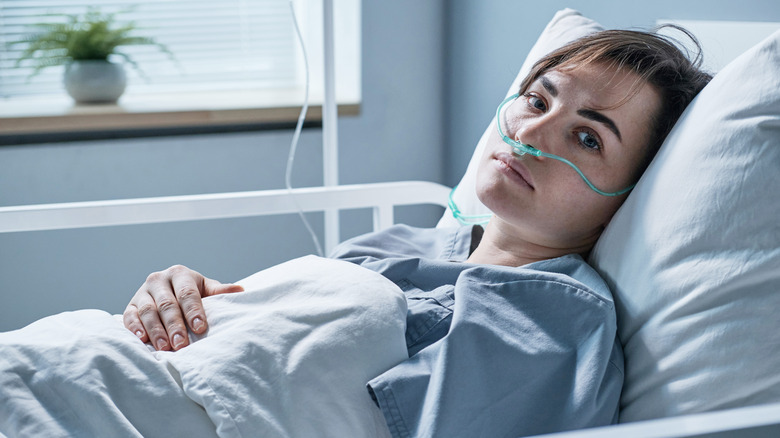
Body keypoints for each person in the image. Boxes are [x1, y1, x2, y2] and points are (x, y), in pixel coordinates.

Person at [122, 28, 711, 437]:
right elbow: (268, 340)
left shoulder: (559, 324)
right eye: (538, 99)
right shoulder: (396, 243)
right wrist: (187, 297)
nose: (534, 132)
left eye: (589, 138)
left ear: (624, 202)